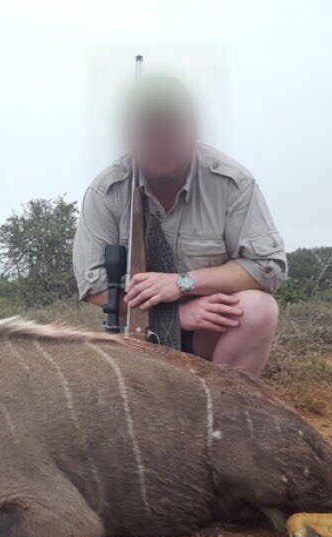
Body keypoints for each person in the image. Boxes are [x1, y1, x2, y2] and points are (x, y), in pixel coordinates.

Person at [73, 76, 286, 376]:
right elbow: (93, 285)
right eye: (148, 131)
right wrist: (175, 316)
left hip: (209, 331)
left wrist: (181, 284)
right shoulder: (106, 191)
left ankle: (226, 411)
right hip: (138, 333)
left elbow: (268, 267)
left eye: (170, 129)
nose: (159, 141)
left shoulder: (232, 184)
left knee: (258, 311)